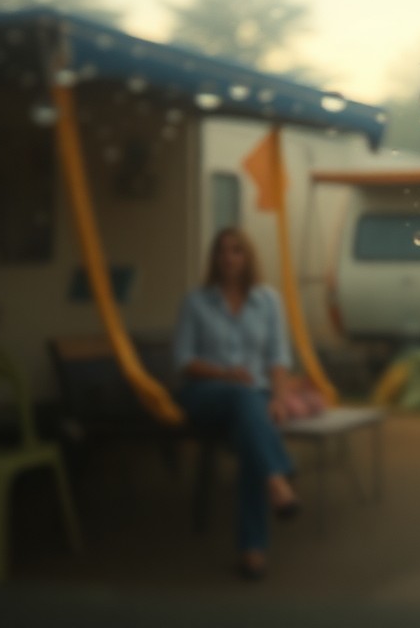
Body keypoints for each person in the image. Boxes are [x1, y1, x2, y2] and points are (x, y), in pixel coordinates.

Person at [172, 226, 300, 580]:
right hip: (206, 393)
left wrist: (278, 399)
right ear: (214, 258)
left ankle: (252, 552)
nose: (229, 257)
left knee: (250, 438)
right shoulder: (196, 302)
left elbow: (278, 357)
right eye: (222, 251)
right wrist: (226, 374)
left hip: (253, 396)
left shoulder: (268, 300)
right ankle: (279, 480)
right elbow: (184, 360)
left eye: (236, 250)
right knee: (246, 402)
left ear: (248, 257)